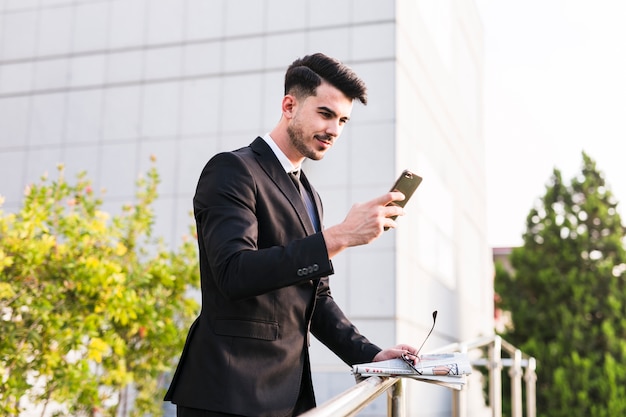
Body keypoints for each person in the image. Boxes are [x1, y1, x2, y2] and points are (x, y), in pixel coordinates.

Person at [164, 53, 419, 417]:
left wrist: (372, 355)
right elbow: (234, 273)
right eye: (326, 114)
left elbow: (315, 299)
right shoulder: (232, 169)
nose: (334, 130)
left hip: (288, 398)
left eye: (343, 120)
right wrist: (339, 237)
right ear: (289, 105)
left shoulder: (309, 194)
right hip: (228, 395)